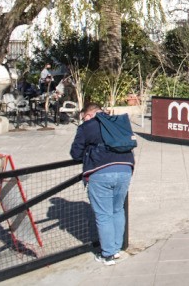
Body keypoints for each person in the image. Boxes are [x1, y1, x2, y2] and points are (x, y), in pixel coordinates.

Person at [70, 103, 135, 266]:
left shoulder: (86, 127)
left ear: (88, 115)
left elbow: (75, 153)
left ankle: (108, 254)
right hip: (125, 169)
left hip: (101, 172)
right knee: (117, 210)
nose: (83, 120)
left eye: (83, 117)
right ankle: (117, 248)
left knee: (104, 215)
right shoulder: (118, 122)